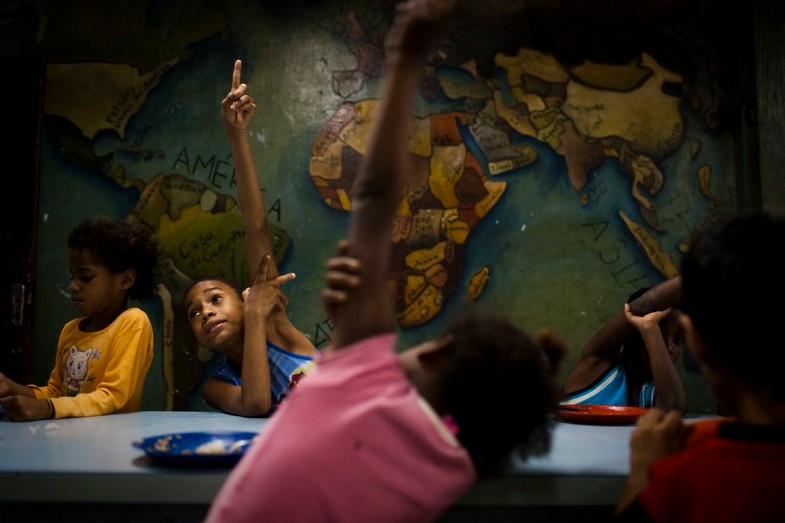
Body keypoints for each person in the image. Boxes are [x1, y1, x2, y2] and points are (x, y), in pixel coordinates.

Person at [203, 1, 565, 521]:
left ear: (439, 351)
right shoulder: (454, 470)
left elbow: (374, 198)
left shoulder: (364, 382)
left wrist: (407, 56)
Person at [614, 212, 785, 523]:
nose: (671, 347)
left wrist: (643, 473)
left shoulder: (688, 478)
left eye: (680, 337)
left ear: (699, 345)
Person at [183, 59, 317, 417]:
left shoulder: (274, 324)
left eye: (214, 299)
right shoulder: (216, 385)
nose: (206, 312)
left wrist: (236, 135)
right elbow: (256, 404)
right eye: (194, 313)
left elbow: (256, 223)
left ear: (244, 301)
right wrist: (253, 317)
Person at [0, 217, 158, 421]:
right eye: (71, 276)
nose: (73, 286)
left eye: (85, 277)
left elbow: (111, 397)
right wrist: (12, 388)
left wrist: (48, 408)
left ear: (125, 280)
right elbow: (56, 393)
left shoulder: (132, 322)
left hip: (109, 442)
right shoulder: (70, 330)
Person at [561, 276, 687, 413]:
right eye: (660, 333)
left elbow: (674, 407)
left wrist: (650, 329)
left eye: (678, 340)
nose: (669, 348)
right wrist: (702, 269)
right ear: (631, 330)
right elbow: (645, 304)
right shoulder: (597, 360)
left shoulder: (660, 390)